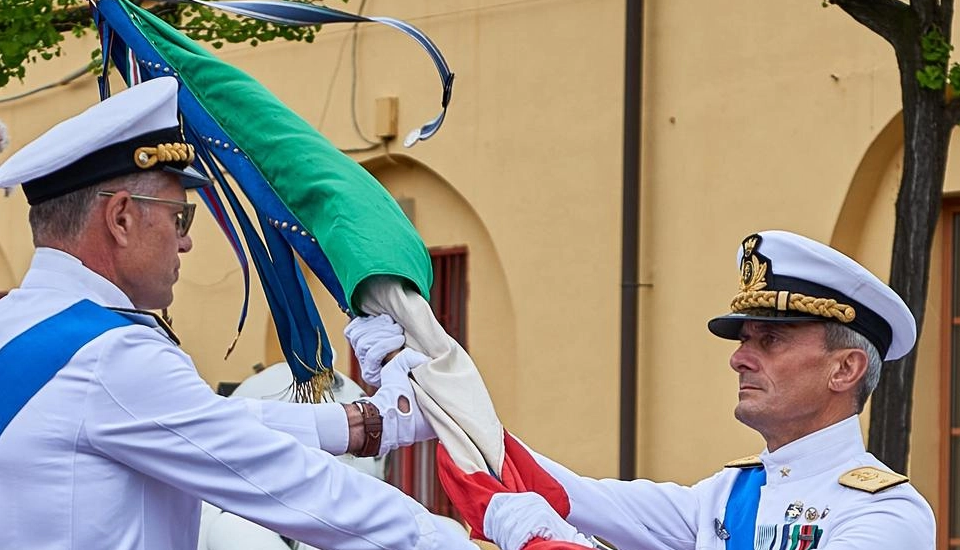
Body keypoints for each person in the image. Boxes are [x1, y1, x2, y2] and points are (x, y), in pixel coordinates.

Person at [0, 77, 475, 550]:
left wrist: (356, 426)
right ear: (123, 218)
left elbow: (196, 424)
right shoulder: (113, 356)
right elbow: (287, 485)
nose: (185, 244)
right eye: (180, 219)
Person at [347, 230, 937, 550]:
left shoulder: (886, 514)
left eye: (771, 341)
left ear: (845, 369)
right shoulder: (725, 495)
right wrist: (434, 382)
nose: (739, 358)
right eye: (744, 339)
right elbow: (564, 492)